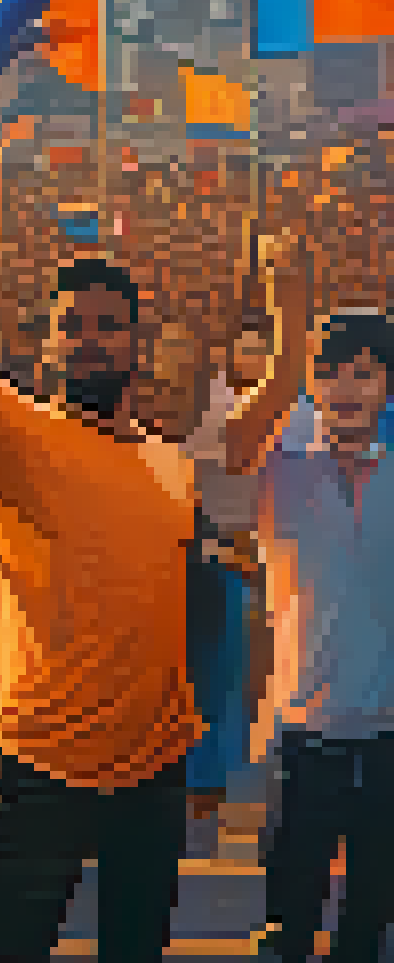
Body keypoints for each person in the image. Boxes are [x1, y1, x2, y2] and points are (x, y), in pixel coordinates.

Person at [0, 190, 288, 963]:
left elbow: (191, 605)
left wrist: (201, 749)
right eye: (72, 327)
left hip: (152, 776)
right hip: (32, 772)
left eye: (107, 326)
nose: (90, 340)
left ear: (136, 345)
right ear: (48, 347)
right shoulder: (11, 431)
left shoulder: (168, 464)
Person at [206, 309, 394, 963]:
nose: (347, 388)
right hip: (304, 732)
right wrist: (289, 323)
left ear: (388, 387)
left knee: (369, 921)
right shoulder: (279, 466)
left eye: (365, 374)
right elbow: (231, 443)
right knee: (289, 919)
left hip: (389, 737)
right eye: (330, 372)